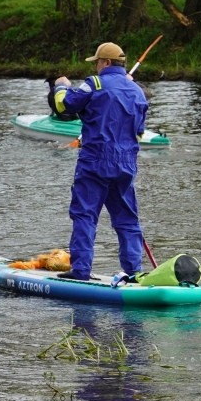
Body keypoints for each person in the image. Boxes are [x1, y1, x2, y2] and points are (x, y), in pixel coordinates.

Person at [47, 42, 148, 281]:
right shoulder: (138, 91)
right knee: (127, 220)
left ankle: (81, 271)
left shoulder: (95, 83)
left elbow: (64, 105)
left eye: (98, 62)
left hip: (95, 161)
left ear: (107, 63)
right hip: (126, 164)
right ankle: (134, 272)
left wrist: (60, 87)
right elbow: (140, 132)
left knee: (85, 215)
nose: (97, 67)